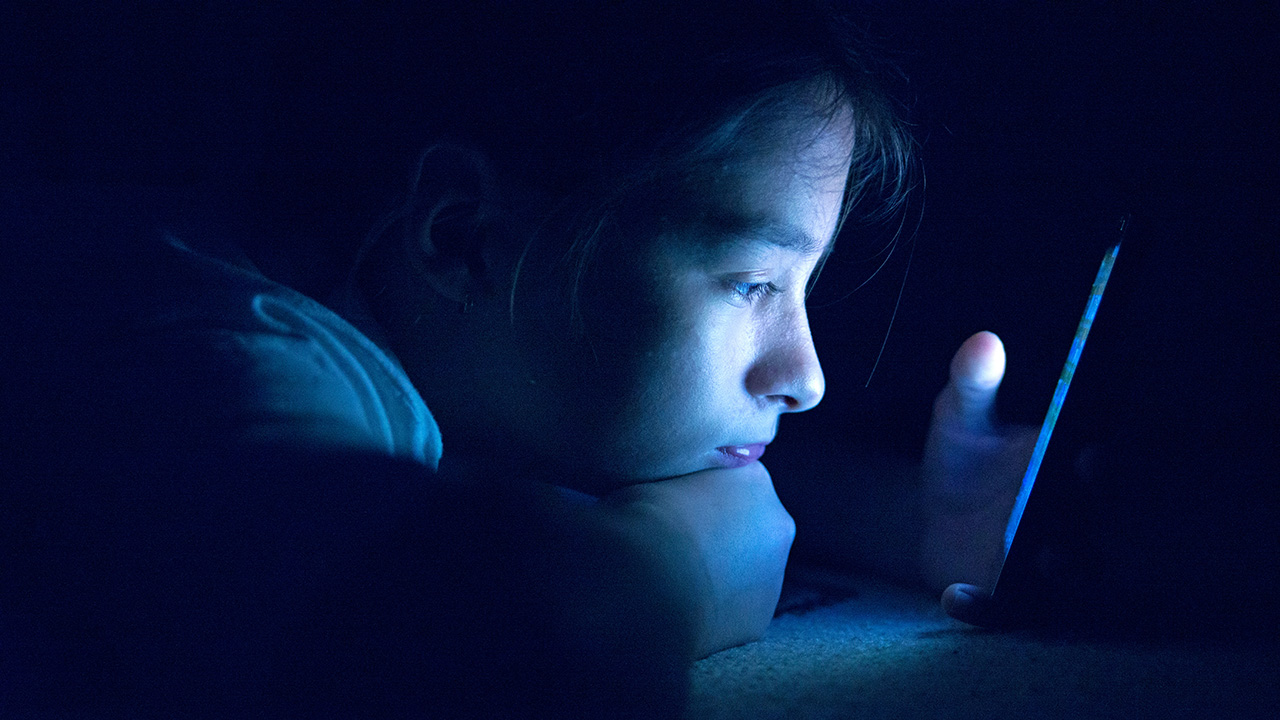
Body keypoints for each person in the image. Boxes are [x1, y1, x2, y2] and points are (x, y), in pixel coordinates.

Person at [4, 2, 1032, 716]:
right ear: (464, 238)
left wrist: (910, 522)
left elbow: (531, 463)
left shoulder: (409, 344)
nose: (802, 377)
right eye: (751, 283)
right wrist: (663, 570)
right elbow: (517, 644)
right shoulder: (206, 362)